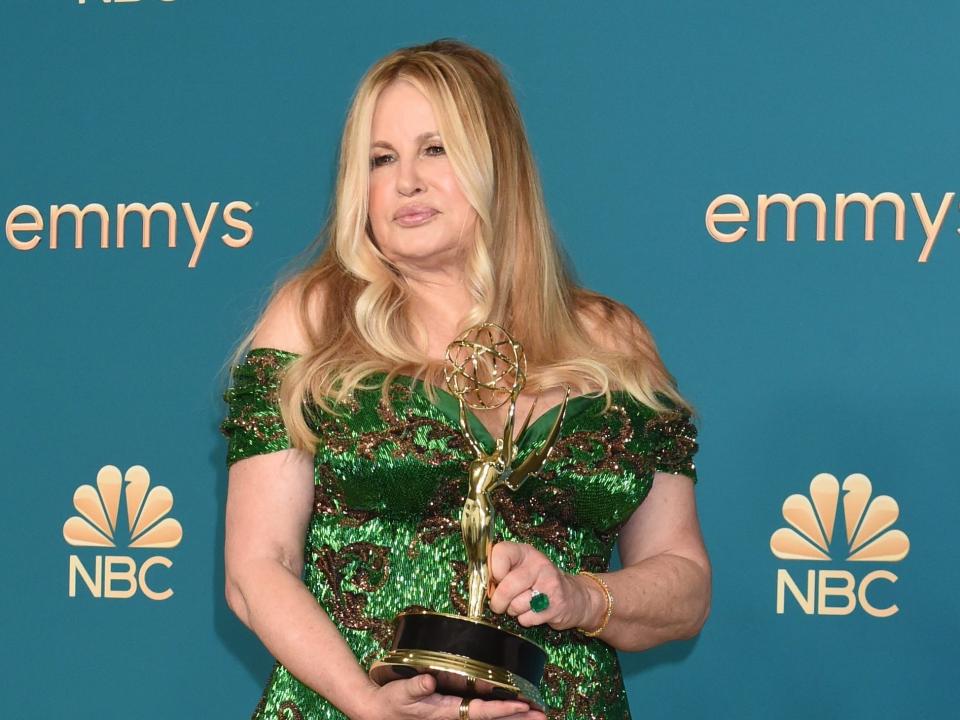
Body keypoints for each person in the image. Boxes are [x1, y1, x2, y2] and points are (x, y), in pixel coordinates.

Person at [220, 38, 710, 720]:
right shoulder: (314, 320)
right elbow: (256, 570)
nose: (406, 181)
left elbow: (683, 584)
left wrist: (579, 596)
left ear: (497, 163)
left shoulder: (612, 341)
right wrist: (368, 703)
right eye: (380, 159)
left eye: (436, 149)